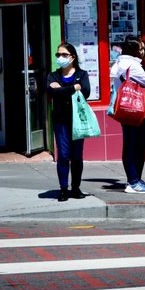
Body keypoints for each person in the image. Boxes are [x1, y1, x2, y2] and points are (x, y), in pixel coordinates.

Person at [47, 41, 91, 202]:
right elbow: (52, 92)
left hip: (77, 120)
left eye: (64, 55)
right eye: (58, 54)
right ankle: (64, 189)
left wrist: (62, 90)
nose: (60, 57)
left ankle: (76, 188)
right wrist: (73, 88)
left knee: (77, 156)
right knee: (64, 155)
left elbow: (86, 91)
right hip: (60, 120)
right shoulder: (53, 75)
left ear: (72, 57)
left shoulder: (82, 74)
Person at [111, 36, 145, 194]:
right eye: (141, 48)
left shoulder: (118, 63)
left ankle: (134, 178)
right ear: (133, 50)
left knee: (129, 144)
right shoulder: (133, 65)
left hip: (125, 108)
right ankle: (133, 181)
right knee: (138, 146)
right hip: (137, 109)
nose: (143, 51)